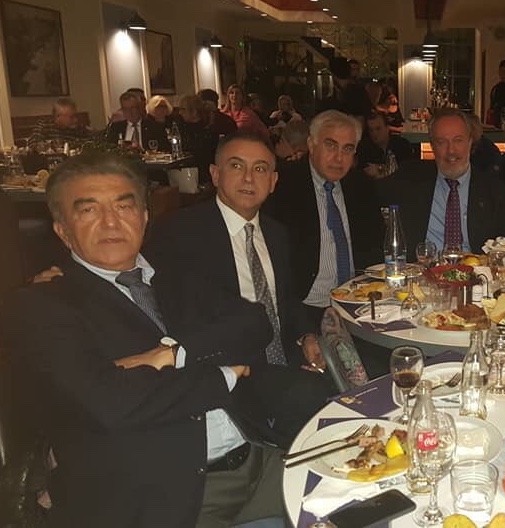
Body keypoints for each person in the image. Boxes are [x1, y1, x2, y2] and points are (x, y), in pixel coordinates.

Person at [0, 152, 287, 527]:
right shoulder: (42, 305)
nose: (110, 222)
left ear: (144, 217)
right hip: (167, 497)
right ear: (62, 230)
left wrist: (172, 354)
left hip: (257, 458)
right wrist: (223, 376)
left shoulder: (174, 275)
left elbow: (254, 323)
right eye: (89, 210)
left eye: (124, 206)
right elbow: (110, 403)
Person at [144, 133, 334, 446]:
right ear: (215, 174)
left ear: (273, 181)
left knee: (356, 371)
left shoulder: (277, 233)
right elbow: (181, 315)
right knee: (308, 394)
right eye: (236, 166)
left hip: (282, 354)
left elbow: (285, 300)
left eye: (260, 169)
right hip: (226, 365)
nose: (248, 178)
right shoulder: (180, 233)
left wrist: (307, 336)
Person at [264, 110, 383, 326]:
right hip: (304, 308)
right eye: (331, 146)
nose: (339, 158)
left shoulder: (361, 187)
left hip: (359, 306)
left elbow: (375, 247)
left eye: (347, 149)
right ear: (311, 144)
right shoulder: (283, 187)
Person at [377, 108, 505, 260]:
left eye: (458, 140)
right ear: (432, 146)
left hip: (476, 271)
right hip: (423, 271)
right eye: (441, 142)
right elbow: (369, 194)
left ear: (470, 143)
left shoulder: (496, 192)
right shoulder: (410, 178)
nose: (451, 150)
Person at [175, 94, 219, 185]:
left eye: (183, 109)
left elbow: (200, 155)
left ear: (194, 112)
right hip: (185, 171)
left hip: (201, 174)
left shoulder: (207, 131)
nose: (180, 113)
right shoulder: (181, 127)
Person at [105, 91, 169, 152]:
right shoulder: (116, 128)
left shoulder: (155, 127)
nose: (130, 112)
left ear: (139, 108)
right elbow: (109, 150)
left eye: (133, 108)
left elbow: (165, 149)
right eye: (125, 109)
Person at [356, 112, 414, 179]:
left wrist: (380, 169)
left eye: (378, 129)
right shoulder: (364, 148)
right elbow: (364, 172)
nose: (374, 133)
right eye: (371, 130)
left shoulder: (402, 145)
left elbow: (409, 170)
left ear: (387, 128)